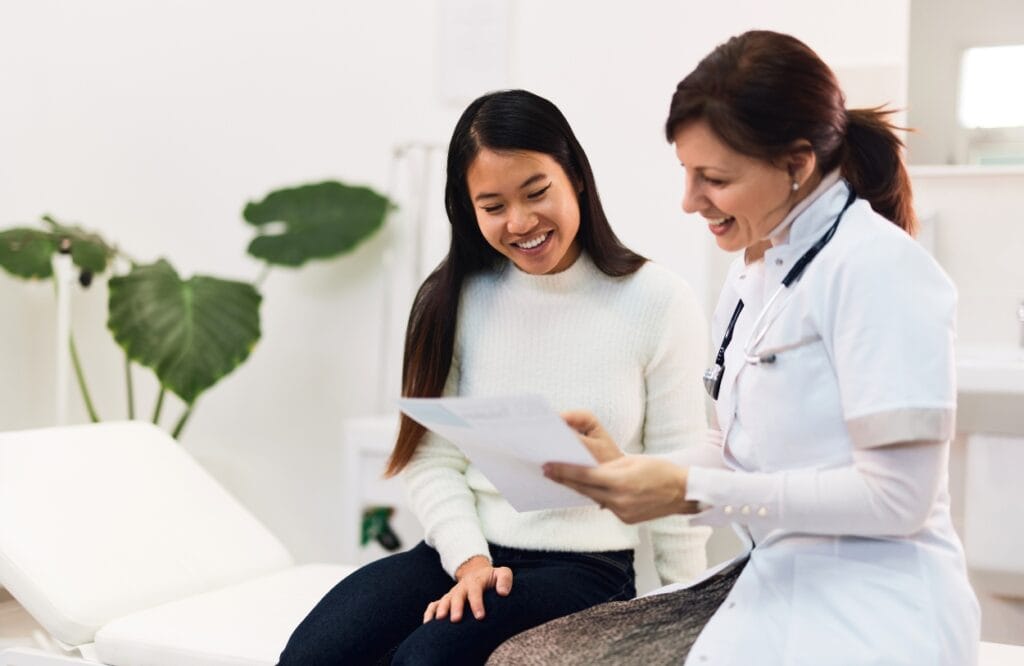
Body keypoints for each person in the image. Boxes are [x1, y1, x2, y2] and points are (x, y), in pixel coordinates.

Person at [489, 31, 980, 666]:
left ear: (797, 165)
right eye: (686, 173)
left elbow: (898, 500)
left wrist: (691, 490)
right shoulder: (755, 273)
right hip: (775, 576)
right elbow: (736, 447)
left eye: (714, 179)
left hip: (877, 601)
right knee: (525, 656)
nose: (689, 201)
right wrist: (628, 473)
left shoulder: (881, 271)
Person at [277, 89, 711, 665]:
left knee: (426, 660)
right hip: (463, 552)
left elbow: (678, 472)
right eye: (493, 205)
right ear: (469, 209)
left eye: (536, 192)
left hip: (586, 568)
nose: (520, 222)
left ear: (576, 178)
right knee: (313, 655)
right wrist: (470, 561)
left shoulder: (659, 301)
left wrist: (688, 612)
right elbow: (431, 460)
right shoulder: (453, 298)